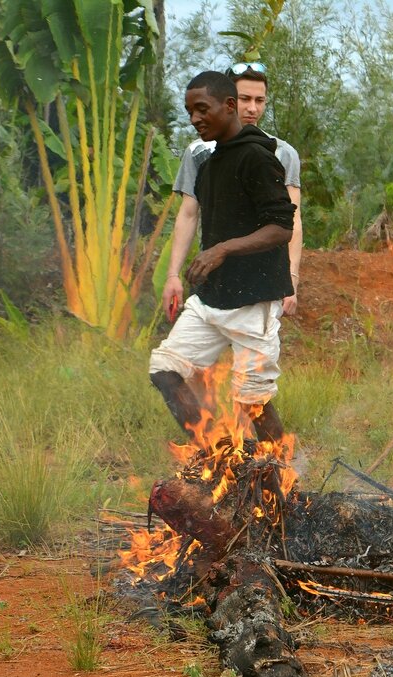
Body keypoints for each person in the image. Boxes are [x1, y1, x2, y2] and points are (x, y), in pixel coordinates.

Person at [149, 71, 295, 442]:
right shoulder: (210, 163)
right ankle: (216, 453)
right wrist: (176, 273)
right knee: (164, 369)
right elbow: (189, 214)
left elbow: (282, 227)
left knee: (252, 401)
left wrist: (222, 249)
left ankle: (287, 477)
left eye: (202, 109)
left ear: (229, 106)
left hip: (253, 300)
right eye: (189, 112)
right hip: (211, 299)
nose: (195, 118)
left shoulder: (258, 158)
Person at [168, 62, 303, 320]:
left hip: (258, 286)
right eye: (245, 99)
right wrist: (173, 274)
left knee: (253, 358)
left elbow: (290, 221)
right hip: (213, 282)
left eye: (260, 100)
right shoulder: (200, 153)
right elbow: (188, 214)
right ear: (228, 101)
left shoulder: (279, 153)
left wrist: (292, 279)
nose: (253, 108)